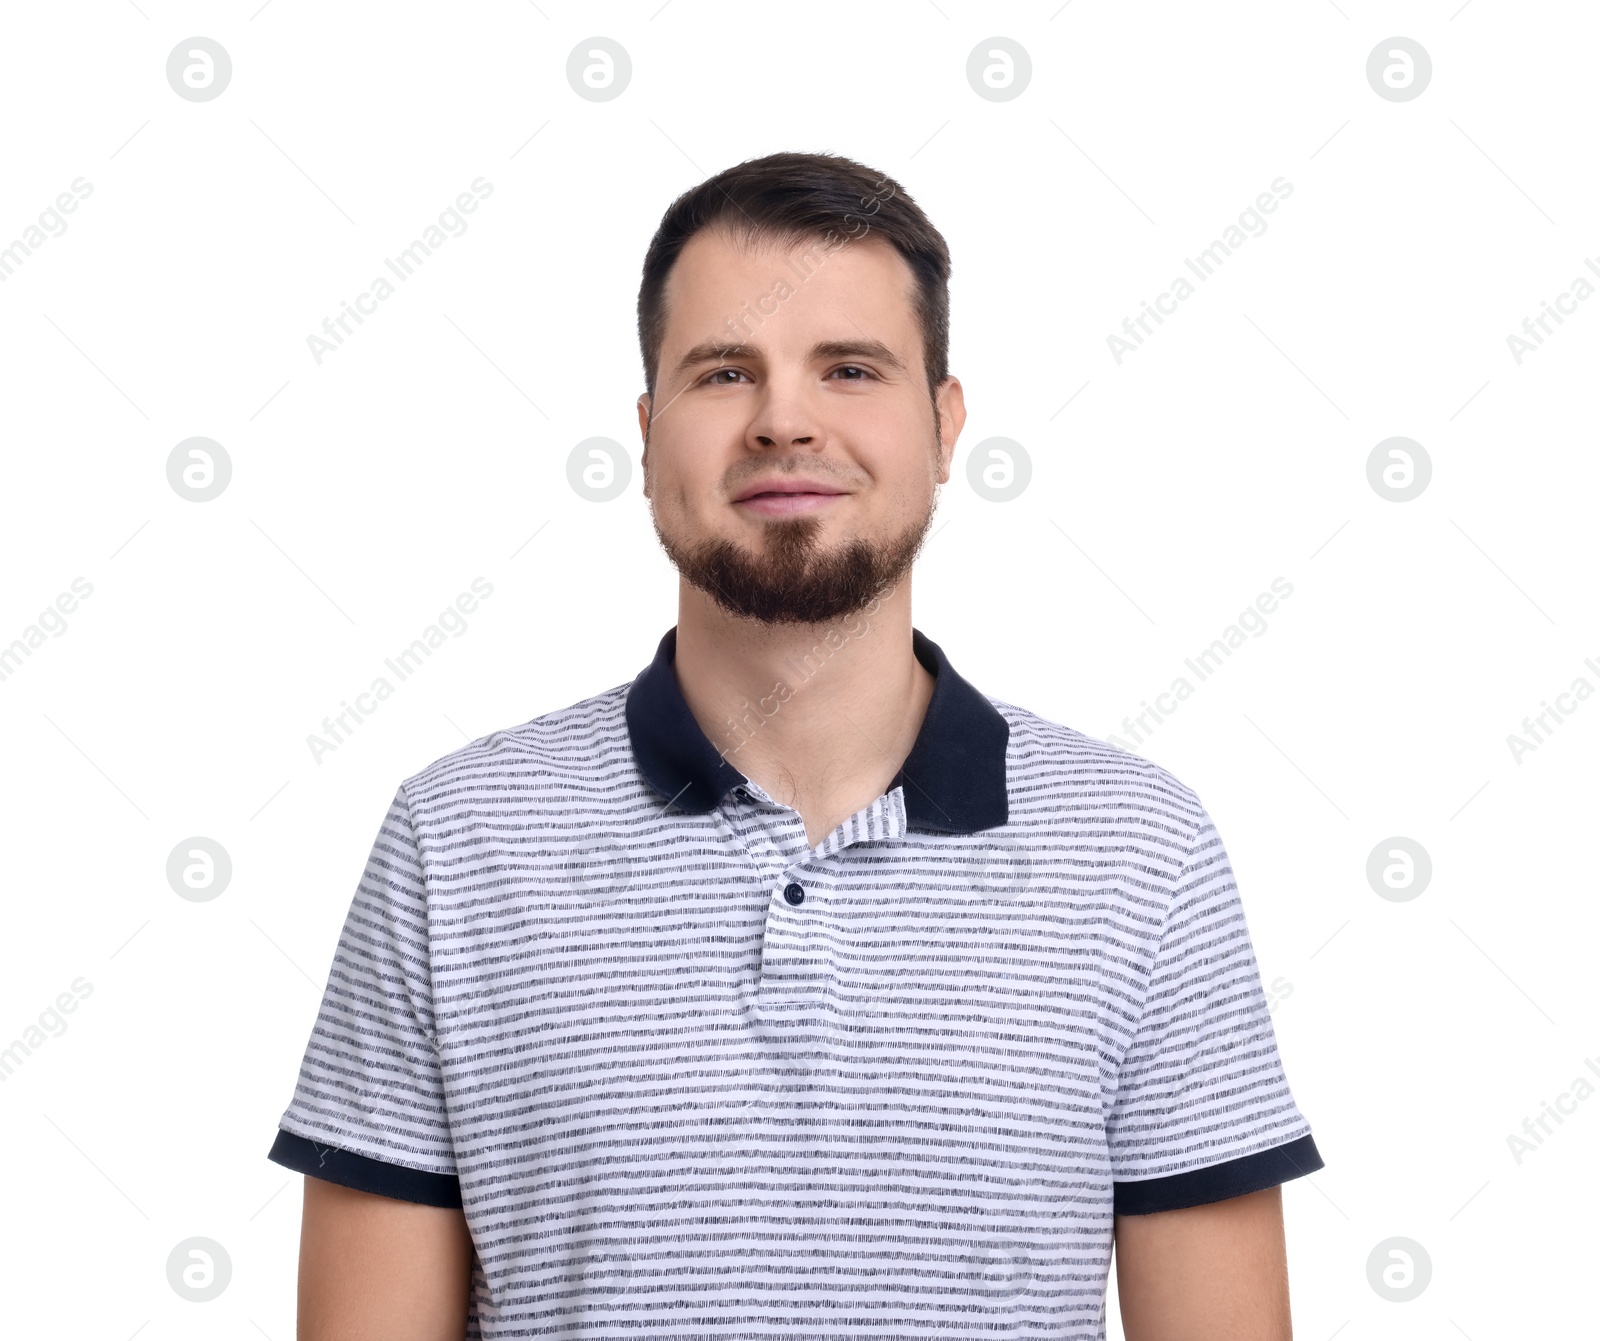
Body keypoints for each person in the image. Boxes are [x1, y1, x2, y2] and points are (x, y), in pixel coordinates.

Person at [268, 150, 1324, 1340]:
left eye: (850, 369)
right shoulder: (454, 845)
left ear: (943, 425)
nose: (783, 419)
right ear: (648, 431)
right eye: (724, 372)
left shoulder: (1142, 852)